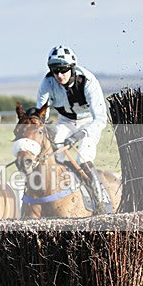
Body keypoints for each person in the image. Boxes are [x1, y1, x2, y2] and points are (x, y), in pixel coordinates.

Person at [36, 45, 113, 214]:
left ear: (72, 68)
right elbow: (41, 113)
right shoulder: (47, 82)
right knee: (54, 156)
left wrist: (80, 134)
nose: (59, 75)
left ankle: (100, 200)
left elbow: (100, 118)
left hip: (89, 122)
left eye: (63, 70)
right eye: (55, 71)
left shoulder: (88, 81)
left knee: (82, 158)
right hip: (66, 121)